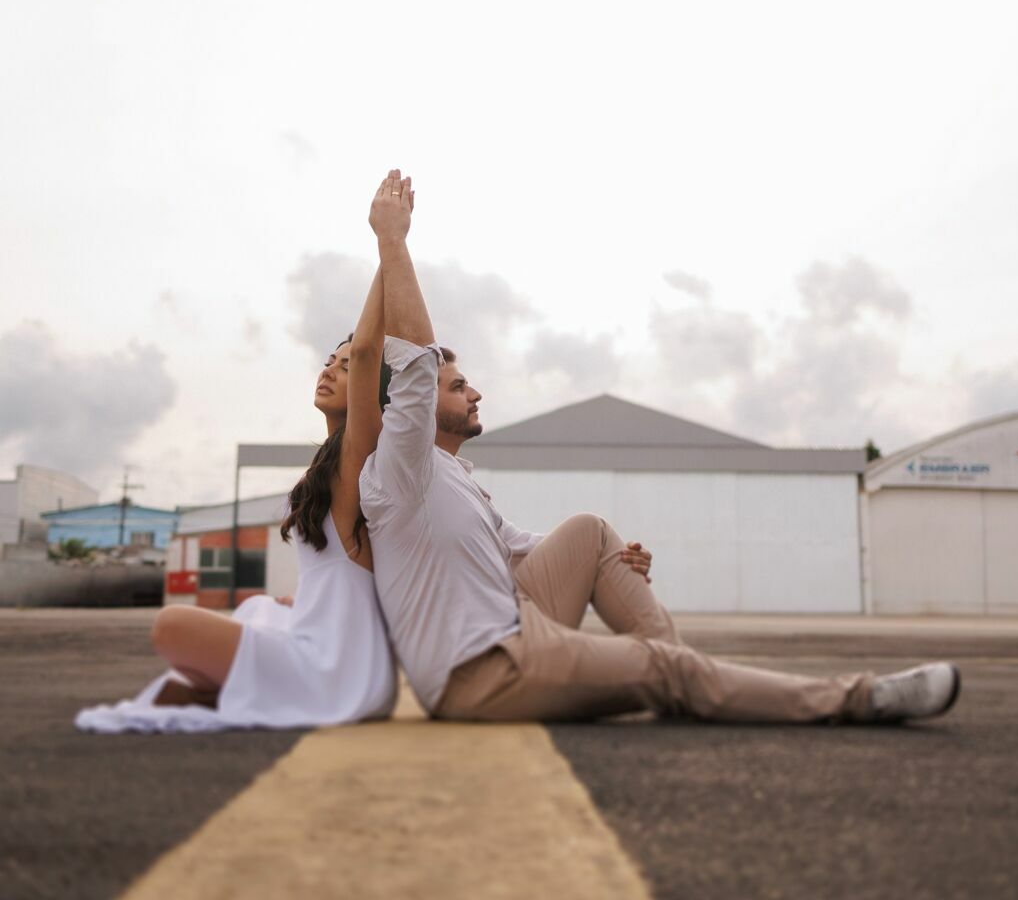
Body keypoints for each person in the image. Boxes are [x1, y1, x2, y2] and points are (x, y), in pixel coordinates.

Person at [361, 176, 961, 727]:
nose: (475, 392)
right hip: (482, 672)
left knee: (591, 532)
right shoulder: (401, 462)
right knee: (668, 669)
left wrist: (609, 561)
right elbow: (412, 363)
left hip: (514, 627)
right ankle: (858, 698)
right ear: (410, 411)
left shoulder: (452, 476)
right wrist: (393, 238)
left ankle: (683, 675)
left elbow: (524, 552)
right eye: (458, 386)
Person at [76, 197, 398, 734]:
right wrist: (305, 603)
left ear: (369, 394)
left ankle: (231, 688)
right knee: (260, 609)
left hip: (338, 669)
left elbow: (369, 350)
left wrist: (390, 243)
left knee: (172, 626)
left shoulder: (360, 458)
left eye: (345, 368)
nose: (330, 371)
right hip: (330, 650)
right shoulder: (328, 465)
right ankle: (227, 687)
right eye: (328, 363)